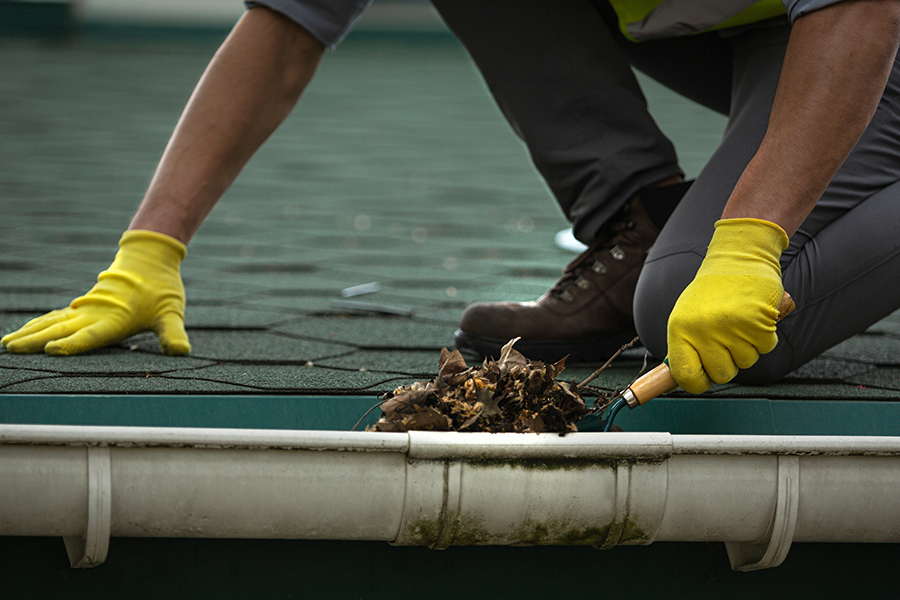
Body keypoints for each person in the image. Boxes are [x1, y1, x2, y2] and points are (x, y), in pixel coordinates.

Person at [4, 1, 900, 398]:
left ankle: (676, 265)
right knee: (666, 280)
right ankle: (640, 221)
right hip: (747, 32)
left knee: (685, 313)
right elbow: (287, 27)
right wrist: (149, 251)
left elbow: (860, 11)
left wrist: (748, 243)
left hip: (862, 38)